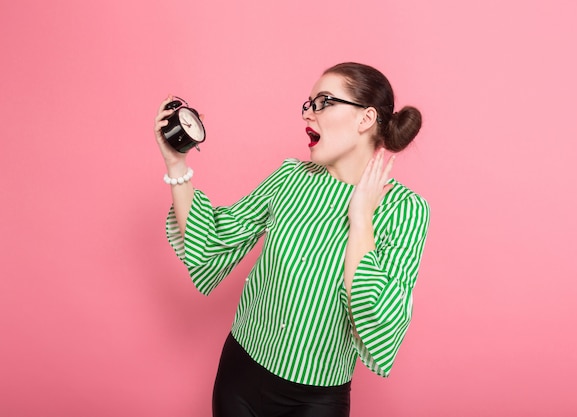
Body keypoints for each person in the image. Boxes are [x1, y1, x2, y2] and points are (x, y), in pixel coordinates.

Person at [153, 62, 430, 417]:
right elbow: (212, 240)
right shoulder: (288, 177)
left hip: (316, 400)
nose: (308, 114)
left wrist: (360, 218)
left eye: (323, 102)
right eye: (308, 103)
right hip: (240, 374)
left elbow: (378, 318)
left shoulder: (406, 210)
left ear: (365, 119)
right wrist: (176, 163)